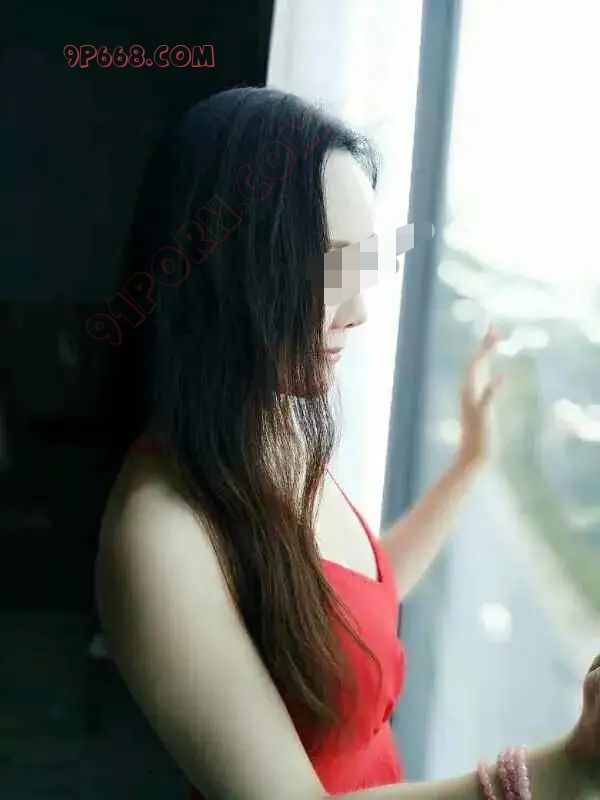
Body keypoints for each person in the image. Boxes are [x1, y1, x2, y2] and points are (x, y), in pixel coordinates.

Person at [93, 86, 600, 800]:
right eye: (326, 266)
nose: (357, 310)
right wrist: (563, 767)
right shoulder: (159, 539)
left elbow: (346, 612)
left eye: (360, 267)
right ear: (227, 265)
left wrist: (469, 465)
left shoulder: (268, 428)